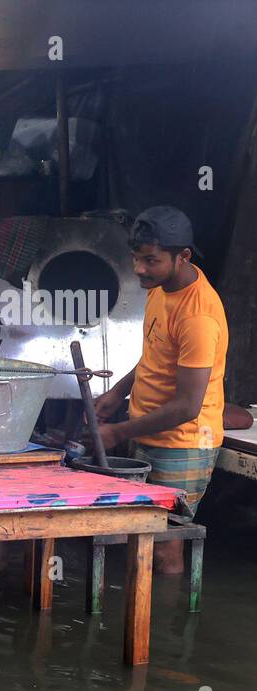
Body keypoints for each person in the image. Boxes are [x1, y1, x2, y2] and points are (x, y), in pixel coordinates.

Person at [94, 206, 228, 573]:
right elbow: (154, 355)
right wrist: (118, 392)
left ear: (183, 256)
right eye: (136, 258)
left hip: (183, 443)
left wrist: (118, 431)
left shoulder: (198, 315)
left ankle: (168, 627)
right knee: (143, 533)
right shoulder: (160, 289)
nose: (139, 269)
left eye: (150, 260)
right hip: (148, 430)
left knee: (167, 543)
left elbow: (187, 406)